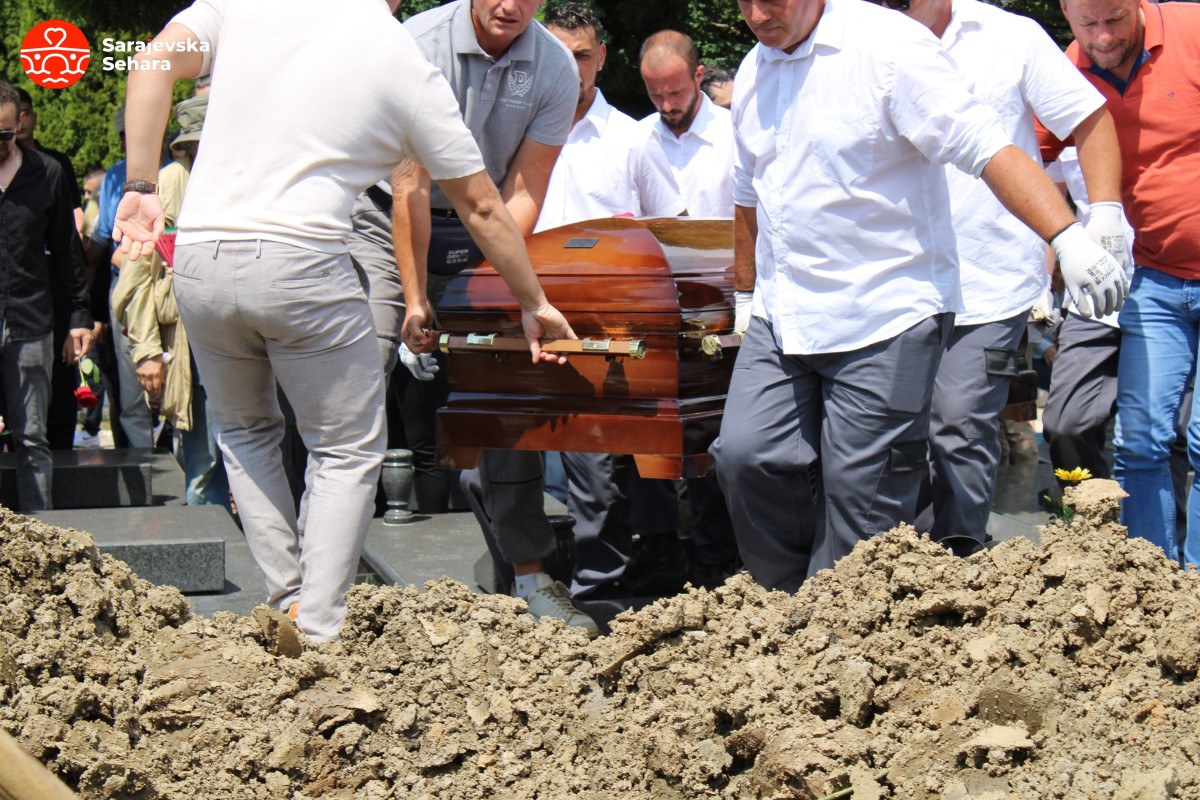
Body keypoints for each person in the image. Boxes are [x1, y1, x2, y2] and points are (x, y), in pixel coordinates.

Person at [112, 0, 575, 642]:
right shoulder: (399, 55)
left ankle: (288, 600)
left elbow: (150, 62)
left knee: (245, 433)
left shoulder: (243, 7)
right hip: (302, 263)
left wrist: (140, 185)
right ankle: (318, 629)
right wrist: (535, 301)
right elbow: (483, 206)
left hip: (202, 258)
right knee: (347, 447)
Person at [711, 0, 1126, 591]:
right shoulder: (755, 68)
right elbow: (748, 193)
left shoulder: (890, 48)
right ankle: (790, 605)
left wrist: (1069, 234)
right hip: (787, 311)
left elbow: (987, 147)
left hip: (888, 310)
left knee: (870, 492)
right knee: (745, 455)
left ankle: (876, 606)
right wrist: (746, 297)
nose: (756, 14)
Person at [395, 0, 600, 637]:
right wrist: (416, 300)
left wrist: (496, 281)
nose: (510, 6)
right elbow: (408, 185)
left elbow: (524, 190)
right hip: (379, 220)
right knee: (354, 371)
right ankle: (315, 586)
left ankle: (532, 576)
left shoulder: (555, 67)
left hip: (485, 225)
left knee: (510, 376)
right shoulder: (415, 43)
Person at [891, 0, 1124, 555]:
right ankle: (904, 562)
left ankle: (959, 554)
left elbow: (1088, 117)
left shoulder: (1011, 37)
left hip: (990, 278)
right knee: (896, 434)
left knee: (959, 422)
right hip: (895, 280)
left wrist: (1104, 212)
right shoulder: (863, 38)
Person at [1040, 0, 1200, 567]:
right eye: (1088, 24)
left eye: (1114, 19)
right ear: (1066, 10)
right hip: (1151, 276)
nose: (1103, 37)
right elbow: (1018, 156)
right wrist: (1057, 244)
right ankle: (1148, 579)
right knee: (1138, 439)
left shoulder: (1191, 31)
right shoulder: (1067, 68)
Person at [536, 2, 684, 600]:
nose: (569, 67)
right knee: (490, 466)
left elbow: (672, 230)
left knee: (598, 470)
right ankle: (531, 578)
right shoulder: (515, 131)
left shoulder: (632, 139)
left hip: (609, 323)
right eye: (556, 54)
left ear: (601, 57)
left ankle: (599, 592)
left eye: (581, 55)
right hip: (528, 312)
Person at [111, 94, 231, 511]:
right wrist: (147, 351)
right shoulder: (166, 186)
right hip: (192, 346)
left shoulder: (242, 180)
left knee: (252, 454)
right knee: (205, 463)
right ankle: (212, 541)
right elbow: (133, 282)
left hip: (245, 339)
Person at [0, 80, 93, 512]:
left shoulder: (47, 172)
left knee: (33, 437)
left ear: (20, 122)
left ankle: (40, 534)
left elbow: (68, 254)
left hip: (31, 318)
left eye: (4, 134)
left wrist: (79, 318)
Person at [639, 31, 735, 218]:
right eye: (656, 94)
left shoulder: (735, 135)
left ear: (698, 76)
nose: (667, 106)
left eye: (676, 93)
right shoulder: (638, 138)